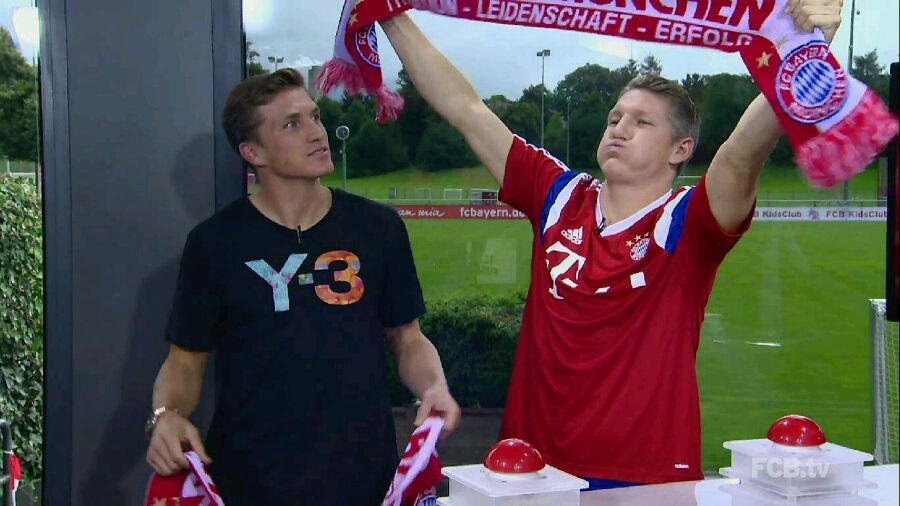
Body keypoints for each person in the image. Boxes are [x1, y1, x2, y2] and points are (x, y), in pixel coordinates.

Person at [380, 0, 843, 489]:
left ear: (681, 149)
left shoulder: (688, 222)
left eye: (642, 122)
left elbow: (742, 152)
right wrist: (388, 13)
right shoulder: (558, 196)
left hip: (644, 478)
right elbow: (466, 109)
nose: (619, 128)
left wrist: (803, 50)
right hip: (528, 469)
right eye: (615, 117)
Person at [144, 68, 461, 504]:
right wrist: (166, 415)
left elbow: (408, 339)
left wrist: (434, 387)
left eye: (314, 117)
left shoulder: (377, 227)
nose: (316, 133)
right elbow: (184, 361)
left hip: (364, 480)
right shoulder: (214, 244)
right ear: (253, 152)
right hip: (249, 482)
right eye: (291, 124)